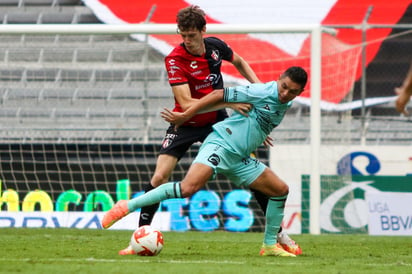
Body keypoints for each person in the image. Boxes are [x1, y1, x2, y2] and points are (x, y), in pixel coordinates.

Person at [117, 5, 300, 256]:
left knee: (262, 182)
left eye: (191, 35)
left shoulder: (214, 46)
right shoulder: (174, 59)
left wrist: (262, 100)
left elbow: (239, 61)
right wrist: (230, 102)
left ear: (203, 31)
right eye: (183, 35)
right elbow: (188, 104)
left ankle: (278, 235)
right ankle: (140, 236)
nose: (187, 41)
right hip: (188, 121)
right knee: (159, 178)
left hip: (218, 122)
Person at [102, 66, 308, 257]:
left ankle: (270, 245)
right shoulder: (261, 91)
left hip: (238, 157)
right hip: (221, 144)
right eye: (284, 87)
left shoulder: (286, 102)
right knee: (188, 187)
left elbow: (258, 117)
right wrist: (186, 115)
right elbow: (218, 95)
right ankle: (126, 206)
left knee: (280, 190)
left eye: (292, 91)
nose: (285, 94)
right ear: (279, 78)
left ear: (299, 93)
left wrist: (258, 132)